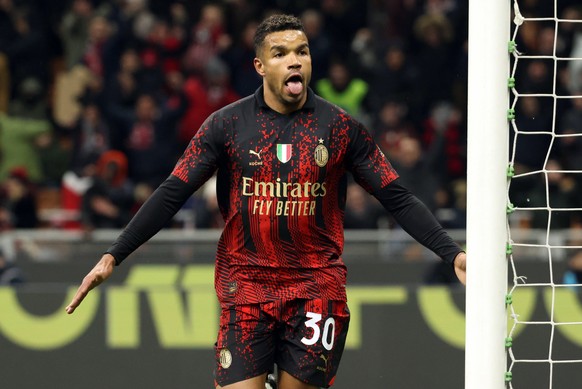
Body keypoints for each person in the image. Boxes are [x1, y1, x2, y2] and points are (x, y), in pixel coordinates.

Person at [65, 14, 466, 389]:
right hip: (246, 287)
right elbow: (173, 192)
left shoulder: (341, 128)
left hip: (316, 289)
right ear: (260, 66)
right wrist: (113, 255)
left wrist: (450, 253)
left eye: (302, 52)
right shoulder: (226, 126)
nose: (295, 61)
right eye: (281, 54)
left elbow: (396, 196)